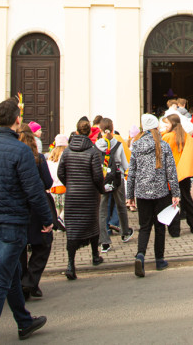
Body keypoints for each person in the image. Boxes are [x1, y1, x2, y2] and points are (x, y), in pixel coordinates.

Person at [0, 98, 51, 345]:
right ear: (18, 120)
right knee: (1, 280)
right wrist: (47, 219)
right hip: (12, 222)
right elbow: (34, 189)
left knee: (13, 270)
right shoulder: (21, 150)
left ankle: (24, 321)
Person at [126, 114, 180, 278]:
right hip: (161, 192)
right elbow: (171, 171)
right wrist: (176, 193)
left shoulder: (136, 146)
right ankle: (159, 259)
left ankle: (140, 255)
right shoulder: (163, 145)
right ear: (156, 127)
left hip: (142, 193)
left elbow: (132, 173)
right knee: (159, 226)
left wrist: (130, 196)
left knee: (144, 226)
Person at [56, 117, 105, 280]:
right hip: (89, 195)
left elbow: (60, 172)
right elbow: (98, 175)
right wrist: (100, 189)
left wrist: (70, 184)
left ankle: (71, 264)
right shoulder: (92, 151)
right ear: (90, 132)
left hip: (72, 195)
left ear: (77, 131)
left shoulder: (68, 150)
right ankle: (95, 255)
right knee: (92, 225)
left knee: (72, 229)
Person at [17, 130, 54, 300]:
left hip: (20, 206)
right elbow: (47, 182)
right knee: (43, 244)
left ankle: (26, 282)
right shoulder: (38, 158)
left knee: (21, 248)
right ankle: (29, 281)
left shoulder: (15, 158)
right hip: (37, 207)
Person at [96, 118, 133, 252]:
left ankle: (104, 241)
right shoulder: (117, 144)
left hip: (103, 179)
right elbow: (125, 164)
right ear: (112, 129)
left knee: (102, 210)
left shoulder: (96, 146)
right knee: (121, 205)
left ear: (100, 130)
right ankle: (125, 232)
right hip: (117, 178)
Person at [162, 114, 193, 236]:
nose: (165, 126)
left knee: (172, 201)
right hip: (184, 172)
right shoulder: (186, 136)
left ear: (172, 124)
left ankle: (174, 230)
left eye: (167, 123)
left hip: (171, 173)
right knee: (186, 198)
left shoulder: (167, 137)